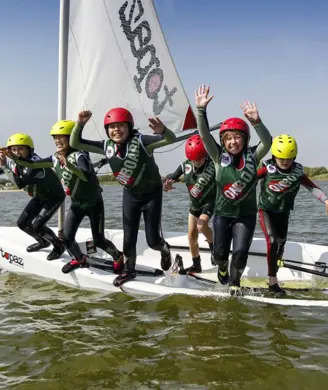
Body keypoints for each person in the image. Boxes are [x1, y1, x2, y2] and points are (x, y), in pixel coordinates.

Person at [70, 109, 177, 286]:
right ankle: (129, 270)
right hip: (131, 195)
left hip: (152, 195)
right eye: (112, 127)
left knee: (153, 241)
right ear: (107, 130)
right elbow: (76, 142)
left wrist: (163, 130)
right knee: (129, 239)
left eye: (120, 126)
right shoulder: (106, 146)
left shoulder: (142, 141)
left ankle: (165, 250)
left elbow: (170, 140)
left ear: (129, 127)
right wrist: (80, 124)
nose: (116, 130)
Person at [13, 121, 122, 273]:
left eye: (62, 137)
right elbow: (31, 165)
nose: (58, 140)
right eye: (55, 137)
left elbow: (86, 175)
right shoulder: (55, 158)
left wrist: (69, 166)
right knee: (66, 237)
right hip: (77, 204)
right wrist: (12, 157)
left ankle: (118, 256)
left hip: (94, 203)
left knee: (99, 240)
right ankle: (79, 258)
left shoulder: (80, 155)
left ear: (71, 138)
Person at [194, 84, 272, 294]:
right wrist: (201, 111)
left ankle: (234, 283)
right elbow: (203, 135)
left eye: (237, 137)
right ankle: (221, 267)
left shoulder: (253, 157)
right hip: (222, 215)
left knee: (239, 253)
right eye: (228, 138)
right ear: (223, 141)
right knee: (220, 254)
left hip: (245, 216)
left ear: (245, 139)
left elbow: (268, 142)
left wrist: (256, 122)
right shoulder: (218, 157)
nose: (233, 141)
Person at [258, 134, 328, 295]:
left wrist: (327, 201)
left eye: (289, 158)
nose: (286, 162)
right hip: (266, 211)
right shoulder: (266, 169)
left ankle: (276, 261)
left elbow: (312, 187)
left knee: (280, 245)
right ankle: (272, 282)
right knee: (272, 242)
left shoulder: (297, 172)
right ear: (274, 156)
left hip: (284, 213)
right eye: (282, 158)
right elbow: (246, 182)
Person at [0, 133, 65, 260]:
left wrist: (4, 166)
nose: (17, 152)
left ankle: (59, 246)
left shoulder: (34, 163)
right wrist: (3, 164)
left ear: (29, 149)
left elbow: (20, 184)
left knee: (38, 226)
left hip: (54, 197)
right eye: (13, 149)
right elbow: (4, 170)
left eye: (20, 149)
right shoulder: (16, 162)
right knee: (22, 223)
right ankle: (43, 242)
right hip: (40, 197)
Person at [163, 134, 216, 273]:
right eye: (193, 160)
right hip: (194, 204)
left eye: (199, 159)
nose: (196, 162)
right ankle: (196, 264)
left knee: (201, 225)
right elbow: (171, 177)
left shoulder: (213, 164)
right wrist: (165, 185)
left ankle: (214, 248)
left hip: (209, 202)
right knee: (191, 236)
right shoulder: (185, 165)